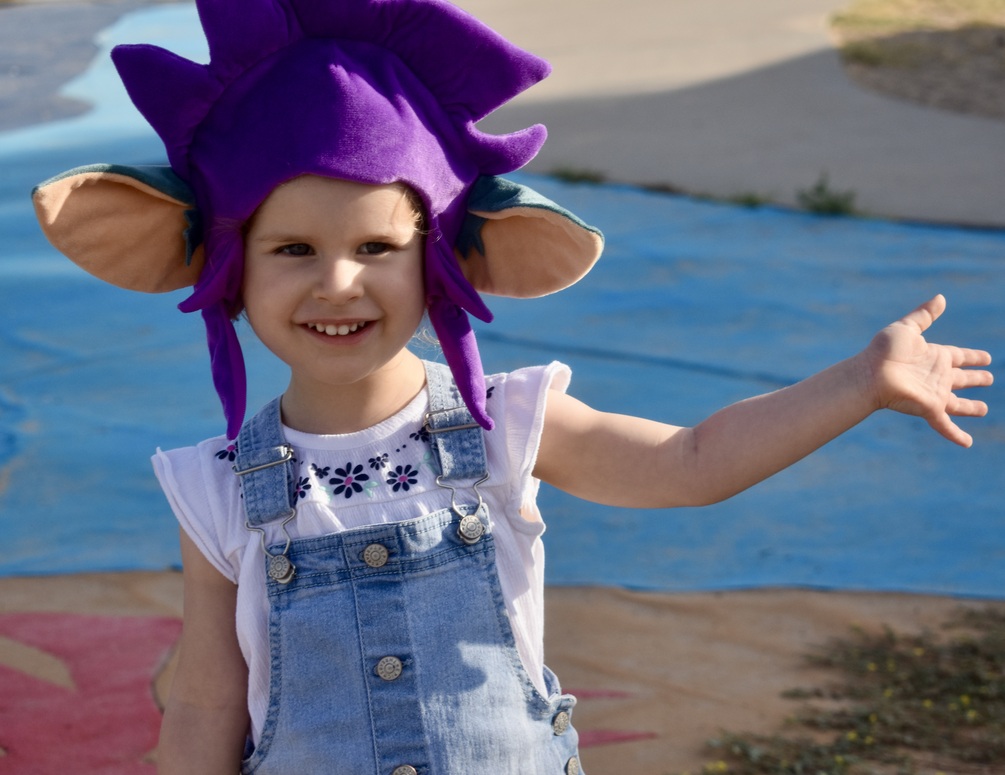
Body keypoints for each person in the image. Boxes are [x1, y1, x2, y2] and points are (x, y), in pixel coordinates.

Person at [31, 0, 992, 773]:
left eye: (377, 246)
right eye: (293, 249)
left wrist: (858, 382)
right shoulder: (215, 488)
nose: (338, 282)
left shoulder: (505, 426)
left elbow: (692, 462)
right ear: (230, 269)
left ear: (439, 260)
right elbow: (205, 700)